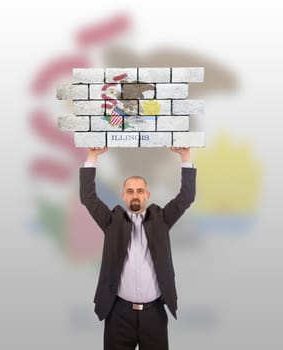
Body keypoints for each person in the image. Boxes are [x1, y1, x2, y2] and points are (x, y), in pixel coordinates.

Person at [80, 146, 197, 350]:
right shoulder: (111, 221)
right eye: (130, 191)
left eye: (140, 191)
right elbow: (87, 197)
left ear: (147, 195)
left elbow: (186, 197)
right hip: (118, 314)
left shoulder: (161, 219)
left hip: (154, 315)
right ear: (123, 196)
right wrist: (92, 156)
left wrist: (185, 156)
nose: (135, 195)